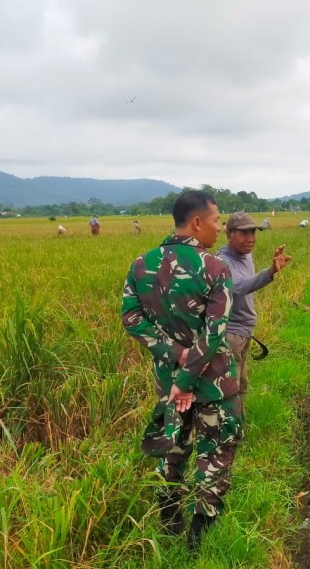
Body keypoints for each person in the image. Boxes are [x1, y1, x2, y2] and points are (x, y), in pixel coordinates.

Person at [121, 190, 240, 549]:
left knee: (172, 449)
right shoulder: (215, 268)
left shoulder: (141, 264)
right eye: (217, 221)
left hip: (168, 383)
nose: (219, 229)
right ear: (197, 223)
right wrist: (190, 377)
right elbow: (215, 331)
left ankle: (170, 522)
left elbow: (131, 318)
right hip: (213, 384)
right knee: (215, 450)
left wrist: (173, 355)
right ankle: (199, 538)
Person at [216, 213, 291, 421]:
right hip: (231, 334)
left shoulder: (245, 255)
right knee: (230, 388)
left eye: (253, 232)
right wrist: (269, 273)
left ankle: (238, 427)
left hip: (244, 331)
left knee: (242, 384)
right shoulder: (223, 262)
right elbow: (239, 287)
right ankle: (228, 434)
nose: (250, 238)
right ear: (229, 234)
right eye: (244, 233)